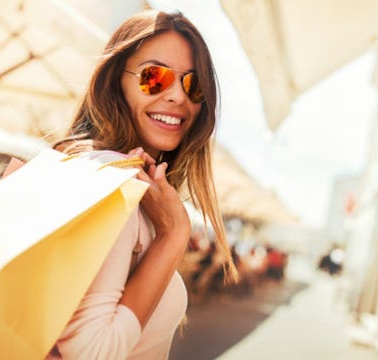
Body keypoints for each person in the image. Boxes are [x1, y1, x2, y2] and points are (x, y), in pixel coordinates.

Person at [46, 10, 238, 359]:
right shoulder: (111, 181)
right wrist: (174, 235)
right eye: (155, 77)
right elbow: (91, 352)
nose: (178, 97)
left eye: (193, 86)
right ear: (117, 80)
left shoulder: (135, 191)